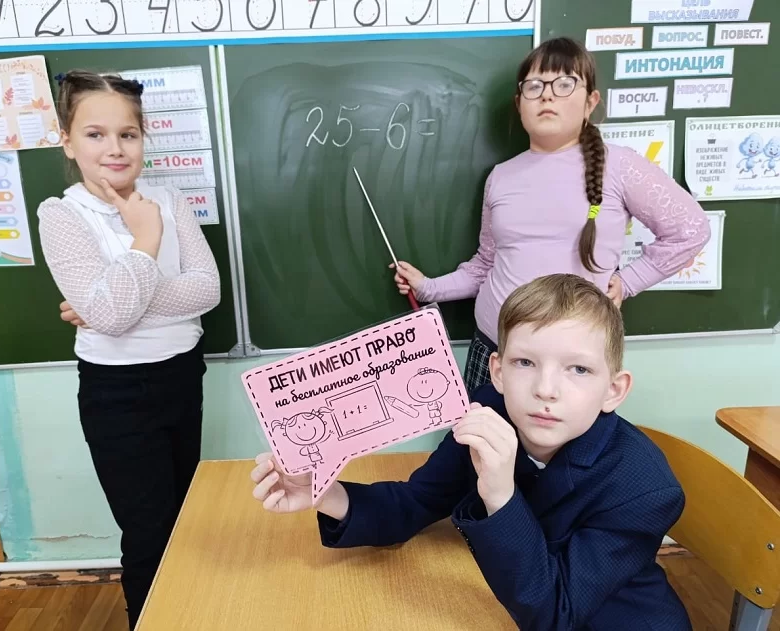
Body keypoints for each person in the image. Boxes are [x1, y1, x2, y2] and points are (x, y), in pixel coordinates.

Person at [250, 273, 691, 630]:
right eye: (525, 362)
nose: (546, 389)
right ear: (497, 371)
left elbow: (556, 614)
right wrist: (325, 492)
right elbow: (416, 501)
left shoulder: (645, 489)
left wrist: (499, 495)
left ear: (613, 390)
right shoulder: (488, 411)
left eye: (578, 369)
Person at [391, 37, 711, 394]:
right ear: (519, 104)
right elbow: (486, 264)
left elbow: (691, 229)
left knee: (563, 434)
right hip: (493, 351)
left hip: (570, 362)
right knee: (479, 432)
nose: (547, 96)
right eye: (534, 86)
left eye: (564, 84)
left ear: (591, 101)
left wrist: (629, 281)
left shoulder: (620, 166)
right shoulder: (501, 177)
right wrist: (429, 287)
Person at [37, 69, 221, 629]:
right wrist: (145, 239)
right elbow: (111, 318)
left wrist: (109, 300)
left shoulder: (168, 197)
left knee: (186, 517)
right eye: (95, 134)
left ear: (143, 139)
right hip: (116, 391)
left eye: (128, 134)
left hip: (181, 375)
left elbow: (207, 289)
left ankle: (191, 616)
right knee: (148, 533)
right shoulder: (61, 214)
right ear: (68, 141)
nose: (114, 148)